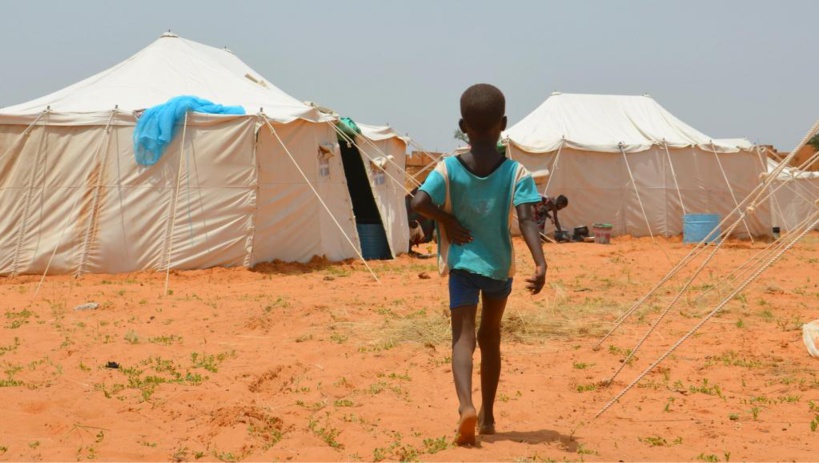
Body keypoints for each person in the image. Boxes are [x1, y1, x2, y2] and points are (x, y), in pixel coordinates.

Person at [411, 83, 547, 446]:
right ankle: (487, 416)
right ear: (503, 123)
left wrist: (447, 221)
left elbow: (418, 202)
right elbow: (528, 219)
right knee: (491, 338)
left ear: (462, 125)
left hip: (463, 267)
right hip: (499, 269)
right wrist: (540, 261)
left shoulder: (448, 168)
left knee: (463, 338)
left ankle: (465, 406)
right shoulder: (516, 173)